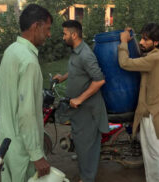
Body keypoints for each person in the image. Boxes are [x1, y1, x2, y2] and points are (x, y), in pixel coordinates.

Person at [0, 4, 52, 182]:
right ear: (36, 26)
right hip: (23, 149)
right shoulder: (29, 62)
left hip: (6, 147)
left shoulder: (11, 51)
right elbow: (27, 113)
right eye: (47, 29)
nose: (49, 34)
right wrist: (37, 154)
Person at [53, 20, 109, 182]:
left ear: (74, 34)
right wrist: (63, 77)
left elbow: (99, 80)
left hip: (88, 109)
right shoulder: (77, 51)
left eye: (65, 34)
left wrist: (79, 99)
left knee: (86, 148)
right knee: (80, 143)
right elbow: (78, 70)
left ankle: (87, 178)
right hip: (79, 110)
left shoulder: (85, 54)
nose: (63, 37)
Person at [118, 23, 159, 182]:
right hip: (148, 110)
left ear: (156, 42)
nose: (141, 43)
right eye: (142, 39)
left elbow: (125, 63)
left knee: (154, 152)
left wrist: (124, 43)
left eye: (146, 40)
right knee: (148, 151)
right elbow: (142, 57)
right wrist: (133, 37)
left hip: (152, 112)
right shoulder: (155, 55)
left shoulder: (156, 58)